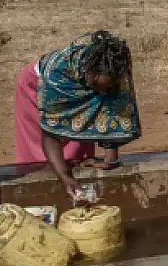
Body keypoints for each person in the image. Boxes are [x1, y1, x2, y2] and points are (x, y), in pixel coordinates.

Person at [13, 31, 141, 202]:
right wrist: (64, 177)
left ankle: (76, 192)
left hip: (82, 84)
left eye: (107, 88)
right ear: (88, 72)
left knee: (78, 156)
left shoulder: (117, 69)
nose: (102, 92)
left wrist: (110, 160)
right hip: (37, 87)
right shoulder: (56, 75)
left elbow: (113, 110)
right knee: (41, 160)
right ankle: (43, 198)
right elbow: (49, 134)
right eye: (97, 86)